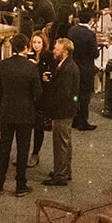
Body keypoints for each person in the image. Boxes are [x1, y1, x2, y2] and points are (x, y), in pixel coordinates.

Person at [0, 33, 42, 196]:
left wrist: (0, 109)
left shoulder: (2, 65)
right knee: (23, 149)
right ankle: (20, 184)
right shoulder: (31, 67)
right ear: (26, 47)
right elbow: (37, 92)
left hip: (7, 112)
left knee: (4, 147)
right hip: (25, 114)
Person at [41, 37, 80, 186]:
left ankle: (60, 175)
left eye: (56, 49)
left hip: (62, 111)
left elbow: (63, 93)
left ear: (64, 52)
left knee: (61, 143)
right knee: (65, 142)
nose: (54, 51)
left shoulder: (68, 69)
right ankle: (64, 170)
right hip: (66, 110)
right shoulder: (66, 65)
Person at [68, 9, 100, 130]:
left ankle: (74, 118)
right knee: (85, 96)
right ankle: (83, 121)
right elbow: (95, 54)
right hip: (86, 69)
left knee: (75, 94)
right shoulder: (90, 35)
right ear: (91, 19)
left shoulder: (72, 31)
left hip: (74, 66)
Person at [28, 32, 53, 167]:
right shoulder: (28, 56)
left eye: (39, 42)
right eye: (34, 42)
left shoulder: (48, 57)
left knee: (39, 127)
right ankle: (24, 153)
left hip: (42, 96)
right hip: (29, 96)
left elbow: (52, 74)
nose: (36, 45)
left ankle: (35, 153)